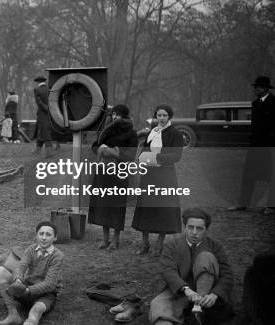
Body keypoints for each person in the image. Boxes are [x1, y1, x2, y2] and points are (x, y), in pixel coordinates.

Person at [149, 208, 233, 325]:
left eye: (199, 228)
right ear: (185, 227)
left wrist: (215, 294)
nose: (194, 232)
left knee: (206, 256)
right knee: (158, 304)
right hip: (182, 290)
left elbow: (227, 274)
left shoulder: (215, 246)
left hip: (207, 294)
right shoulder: (172, 244)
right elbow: (168, 270)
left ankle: (198, 310)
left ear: (206, 230)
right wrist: (186, 290)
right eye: (190, 227)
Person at [132, 104, 184, 256]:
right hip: (149, 175)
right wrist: (143, 158)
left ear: (169, 117)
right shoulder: (152, 132)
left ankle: (159, 245)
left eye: (164, 116)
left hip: (165, 176)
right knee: (146, 208)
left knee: (162, 209)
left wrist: (156, 158)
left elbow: (176, 156)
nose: (161, 118)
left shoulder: (175, 134)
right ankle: (145, 244)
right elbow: (143, 151)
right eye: (159, 115)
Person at [0, 221, 63, 325]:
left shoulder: (57, 256)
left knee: (36, 312)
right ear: (36, 235)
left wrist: (27, 290)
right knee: (0, 271)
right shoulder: (31, 249)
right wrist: (18, 280)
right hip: (26, 288)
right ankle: (13, 315)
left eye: (48, 235)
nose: (44, 237)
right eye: (41, 233)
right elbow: (21, 267)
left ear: (55, 237)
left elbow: (50, 284)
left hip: (46, 295)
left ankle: (31, 320)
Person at [88, 104, 138, 250]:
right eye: (114, 114)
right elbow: (95, 146)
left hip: (119, 173)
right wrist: (101, 149)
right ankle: (105, 240)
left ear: (125, 116)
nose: (115, 116)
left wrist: (111, 152)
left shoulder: (131, 133)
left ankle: (116, 240)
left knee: (116, 206)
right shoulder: (106, 129)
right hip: (103, 172)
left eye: (119, 114)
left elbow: (130, 155)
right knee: (103, 205)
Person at [228, 75, 275, 215]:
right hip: (255, 145)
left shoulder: (274, 102)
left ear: (265, 88)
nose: (255, 89)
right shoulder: (255, 103)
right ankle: (243, 203)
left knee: (272, 175)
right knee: (248, 174)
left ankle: (271, 207)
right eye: (255, 87)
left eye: (258, 87)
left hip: (270, 146)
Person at [33, 76, 54, 157]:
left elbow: (39, 102)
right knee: (42, 131)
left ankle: (49, 152)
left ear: (38, 82)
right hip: (52, 113)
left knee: (45, 132)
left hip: (42, 113)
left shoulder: (37, 90)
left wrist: (46, 109)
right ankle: (37, 151)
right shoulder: (50, 89)